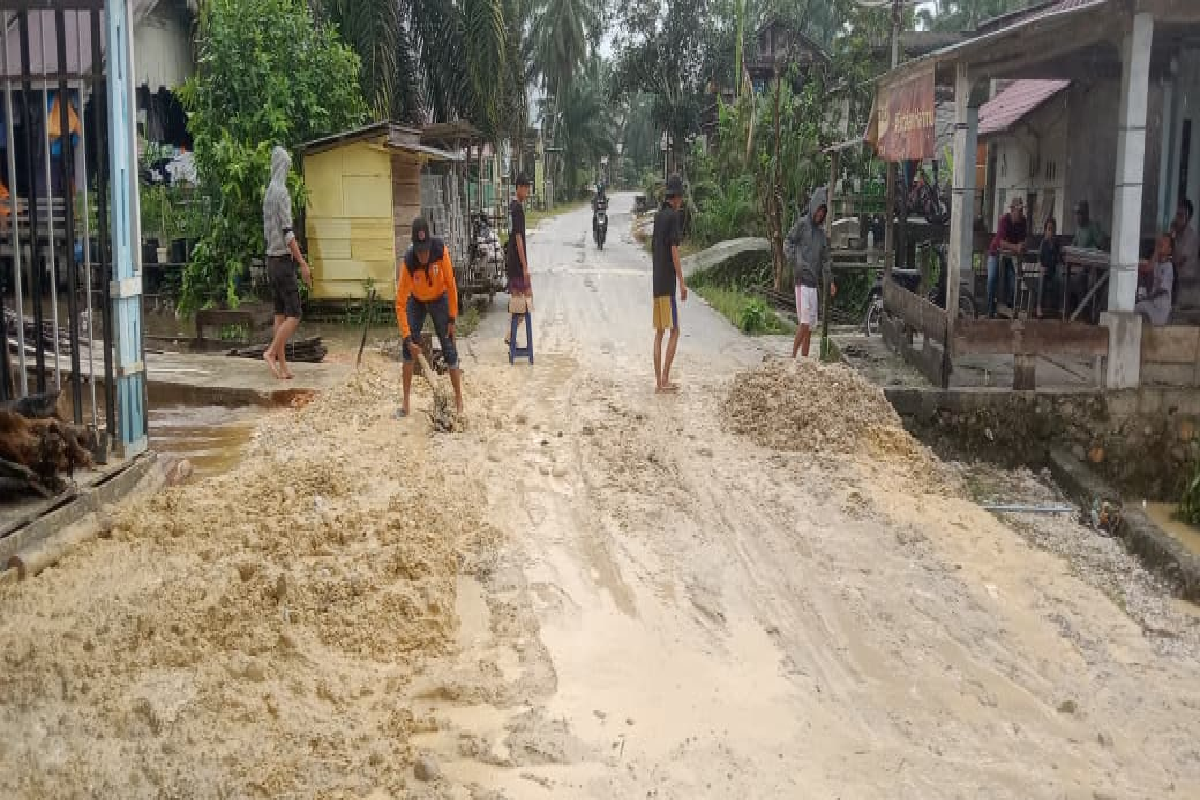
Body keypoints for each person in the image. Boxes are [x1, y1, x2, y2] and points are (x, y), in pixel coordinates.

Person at [397, 217, 464, 416]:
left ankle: (459, 399)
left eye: (425, 250)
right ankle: (406, 403)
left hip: (439, 298)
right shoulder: (408, 262)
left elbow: (451, 286)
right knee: (407, 350)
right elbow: (400, 303)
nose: (424, 255)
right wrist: (407, 337)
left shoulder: (440, 251)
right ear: (414, 247)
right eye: (420, 251)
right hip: (416, 300)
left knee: (449, 348)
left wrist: (452, 318)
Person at [262, 146, 312, 379]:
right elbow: (288, 233)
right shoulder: (281, 193)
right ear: (283, 167)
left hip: (270, 261)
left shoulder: (268, 194)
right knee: (295, 314)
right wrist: (302, 263)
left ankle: (282, 367)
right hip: (282, 262)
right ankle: (271, 353)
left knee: (279, 314)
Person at [785, 187, 834, 359]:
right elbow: (788, 242)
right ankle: (792, 357)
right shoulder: (801, 225)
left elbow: (826, 260)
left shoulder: (821, 235)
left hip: (813, 284)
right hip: (801, 281)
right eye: (818, 211)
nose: (819, 215)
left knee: (810, 327)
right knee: (804, 323)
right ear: (813, 208)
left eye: (823, 213)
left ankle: (804, 361)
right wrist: (795, 261)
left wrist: (831, 281)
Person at [652, 174, 688, 392]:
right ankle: (664, 379)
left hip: (657, 282)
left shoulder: (658, 217)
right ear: (676, 198)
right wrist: (682, 283)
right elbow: (674, 251)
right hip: (667, 285)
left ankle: (659, 382)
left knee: (659, 333)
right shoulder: (673, 218)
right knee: (674, 331)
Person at [986, 196, 1028, 317]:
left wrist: (1023, 245)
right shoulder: (1004, 220)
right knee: (992, 278)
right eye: (1018, 210)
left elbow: (1023, 240)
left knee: (1013, 281)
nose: (1020, 213)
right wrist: (1016, 247)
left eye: (1022, 210)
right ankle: (990, 310)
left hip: (1010, 257)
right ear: (1012, 210)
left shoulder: (1023, 222)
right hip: (995, 253)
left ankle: (1010, 308)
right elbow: (1000, 242)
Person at [505, 172, 533, 346]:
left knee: (517, 301)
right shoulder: (517, 209)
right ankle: (510, 334)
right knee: (528, 299)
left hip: (511, 260)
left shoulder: (512, 207)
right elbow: (518, 238)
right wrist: (524, 266)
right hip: (516, 262)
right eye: (526, 189)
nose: (528, 193)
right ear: (520, 188)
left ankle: (510, 336)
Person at [1171, 198, 1198, 305]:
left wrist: (1173, 238)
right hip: (1178, 282)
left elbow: (1179, 261)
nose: (1177, 219)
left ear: (1189, 218)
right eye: (1177, 215)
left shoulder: (1191, 236)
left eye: (1181, 216)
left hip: (1188, 285)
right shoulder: (1176, 235)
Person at [1035, 218, 1062, 318]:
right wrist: (1041, 267)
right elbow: (1039, 259)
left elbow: (1059, 258)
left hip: (1053, 271)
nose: (1051, 232)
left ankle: (1059, 307)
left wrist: (1058, 260)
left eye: (1053, 229)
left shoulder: (1056, 243)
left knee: (1060, 277)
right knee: (1042, 277)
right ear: (1045, 230)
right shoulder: (1043, 243)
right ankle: (1039, 306)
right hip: (1044, 271)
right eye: (1049, 229)